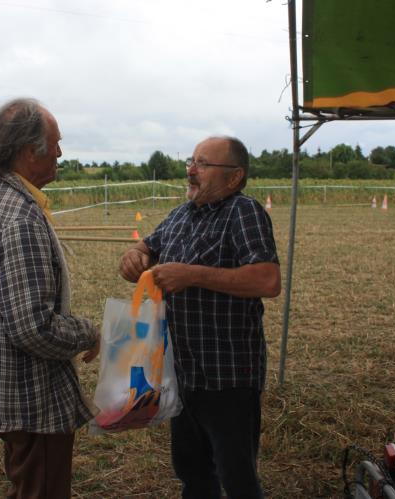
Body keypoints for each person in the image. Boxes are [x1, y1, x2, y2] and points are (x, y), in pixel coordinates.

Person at [0, 98, 100, 498]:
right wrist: (90, 333)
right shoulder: (18, 217)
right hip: (29, 395)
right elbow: (34, 328)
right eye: (55, 143)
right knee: (41, 487)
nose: (60, 152)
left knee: (26, 478)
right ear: (30, 152)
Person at [119, 136, 281, 499]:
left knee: (236, 477)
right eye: (191, 162)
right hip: (183, 374)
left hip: (228, 377)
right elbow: (144, 247)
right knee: (192, 472)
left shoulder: (243, 212)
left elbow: (268, 279)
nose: (191, 170)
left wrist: (192, 275)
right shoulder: (181, 214)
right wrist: (133, 257)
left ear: (234, 177)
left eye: (203, 164)